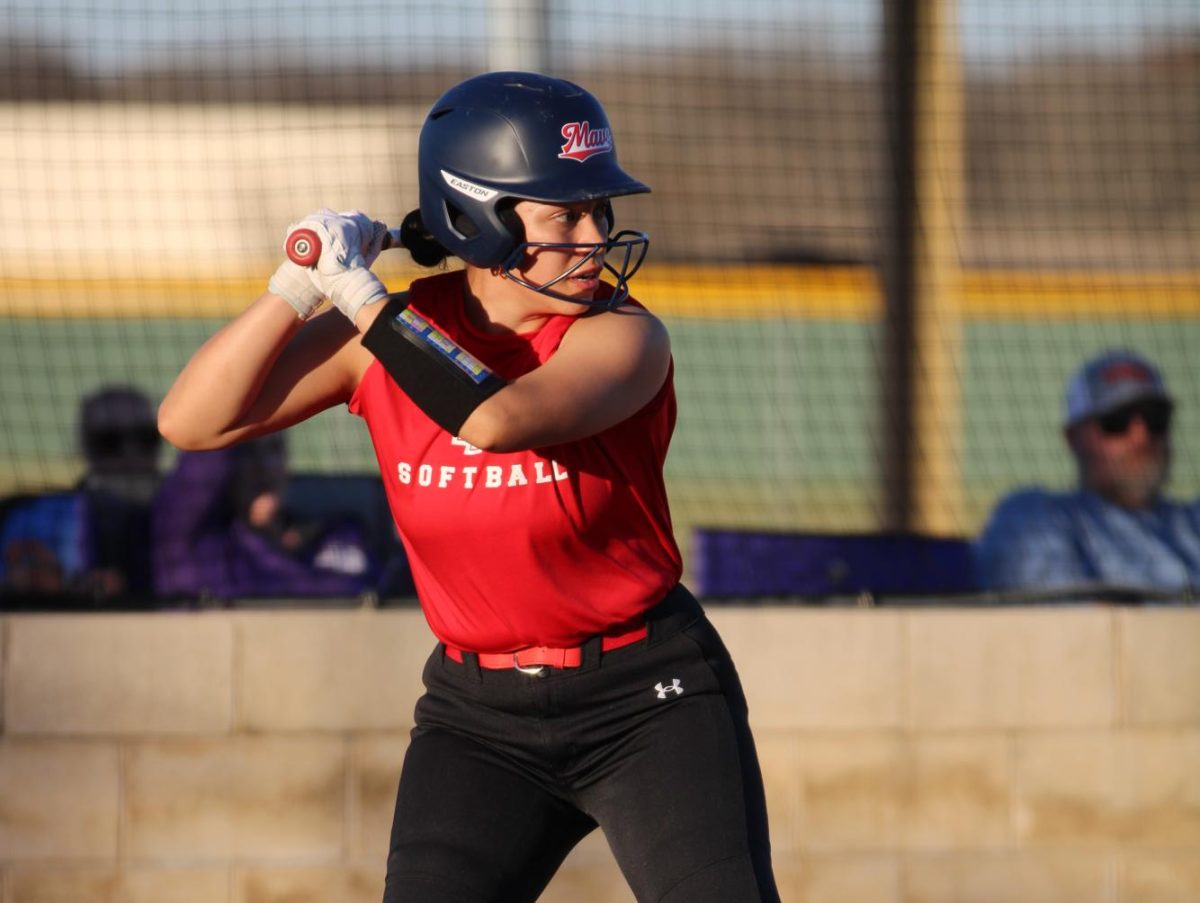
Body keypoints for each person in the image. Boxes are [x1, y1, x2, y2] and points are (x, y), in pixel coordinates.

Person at [156, 72, 779, 902]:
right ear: (479, 221)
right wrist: (296, 287)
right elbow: (191, 421)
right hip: (476, 716)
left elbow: (494, 417)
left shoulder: (625, 338)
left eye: (600, 208)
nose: (596, 234)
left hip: (646, 697)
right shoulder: (391, 328)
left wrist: (370, 307)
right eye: (566, 214)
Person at [976, 349, 1200, 595]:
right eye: (1117, 421)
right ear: (1073, 437)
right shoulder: (1033, 520)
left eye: (1156, 419)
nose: (1141, 436)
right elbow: (1060, 623)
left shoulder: (1192, 523)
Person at [152, 433, 376, 601]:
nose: (263, 467)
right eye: (248, 452)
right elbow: (205, 458)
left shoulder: (339, 535)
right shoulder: (199, 546)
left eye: (274, 450)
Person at [0, 384, 161, 603]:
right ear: (85, 444)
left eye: (145, 438)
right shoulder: (37, 517)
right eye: (111, 441)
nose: (130, 453)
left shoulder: (185, 514)